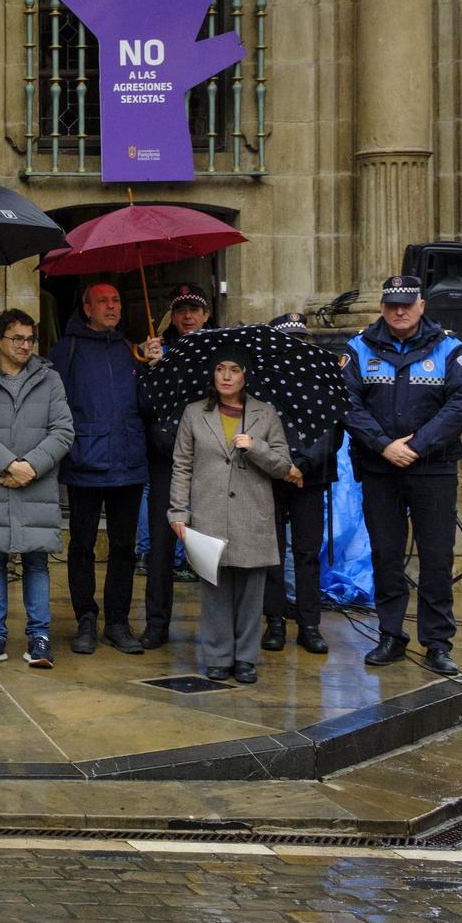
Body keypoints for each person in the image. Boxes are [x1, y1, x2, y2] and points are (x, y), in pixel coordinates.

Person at [343, 274, 462, 676]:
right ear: (382, 308)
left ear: (421, 305)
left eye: (406, 304)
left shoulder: (449, 347)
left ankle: (437, 642)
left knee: (436, 557)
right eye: (391, 305)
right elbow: (346, 403)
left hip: (433, 468)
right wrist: (384, 444)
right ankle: (390, 635)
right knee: (386, 555)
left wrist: (415, 445)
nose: (399, 311)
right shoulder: (359, 347)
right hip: (379, 467)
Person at [168, 344, 294, 684]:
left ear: (245, 375)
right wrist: (179, 511)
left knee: (251, 591)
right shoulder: (195, 413)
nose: (226, 376)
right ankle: (218, 656)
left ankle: (245, 658)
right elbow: (181, 465)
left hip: (252, 515)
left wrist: (256, 447)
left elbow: (283, 466)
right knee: (214, 588)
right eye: (220, 368)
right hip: (209, 512)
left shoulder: (264, 414)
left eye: (234, 369)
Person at [0, 309, 74, 669]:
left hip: (35, 486)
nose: (25, 346)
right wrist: (10, 466)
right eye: (17, 339)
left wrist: (30, 468)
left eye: (30, 339)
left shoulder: (50, 380)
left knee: (37, 562)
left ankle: (39, 637)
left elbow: (63, 431)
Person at [48, 281, 153, 657]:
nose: (111, 307)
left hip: (127, 461)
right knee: (81, 545)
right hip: (84, 463)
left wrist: (153, 367)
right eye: (102, 301)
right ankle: (86, 619)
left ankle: (118, 621)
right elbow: (52, 404)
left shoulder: (132, 351)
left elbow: (148, 405)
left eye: (116, 300)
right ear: (86, 308)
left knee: (125, 547)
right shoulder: (66, 350)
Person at [141, 282, 214, 650]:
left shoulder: (220, 352)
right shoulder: (156, 352)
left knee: (213, 548)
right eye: (181, 309)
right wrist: (151, 369)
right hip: (166, 464)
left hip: (209, 465)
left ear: (207, 314)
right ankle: (156, 624)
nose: (187, 316)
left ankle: (218, 628)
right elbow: (143, 406)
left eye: (195, 309)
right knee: (160, 548)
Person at [262, 312, 335, 655]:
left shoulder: (323, 378)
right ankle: (274, 621)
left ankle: (309, 625)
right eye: (287, 342)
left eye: (300, 341)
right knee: (271, 553)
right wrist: (280, 465)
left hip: (310, 477)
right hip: (271, 477)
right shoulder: (262, 385)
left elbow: (331, 429)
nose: (295, 348)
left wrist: (302, 464)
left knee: (307, 553)